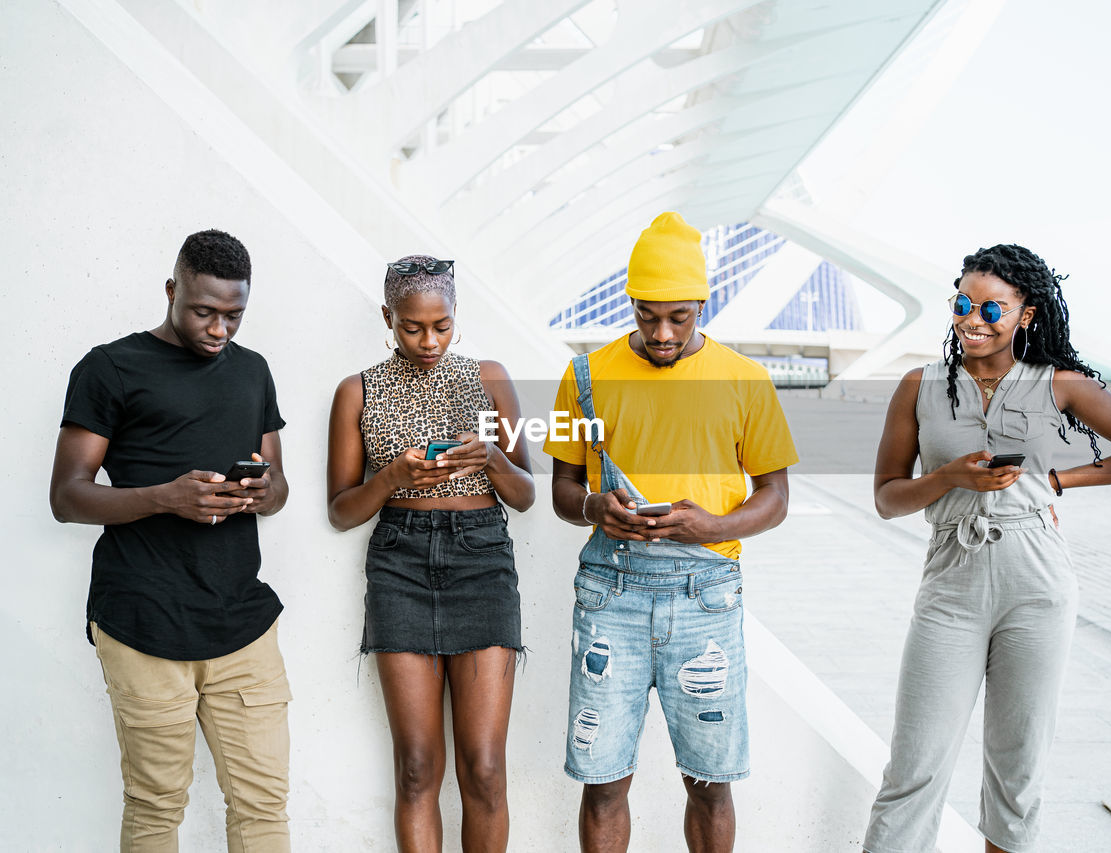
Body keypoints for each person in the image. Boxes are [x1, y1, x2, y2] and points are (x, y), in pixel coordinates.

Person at [862, 244, 1111, 853]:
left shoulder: (1060, 385)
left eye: (991, 308)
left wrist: (1058, 481)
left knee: (1018, 771)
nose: (973, 318)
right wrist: (950, 476)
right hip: (952, 574)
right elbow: (887, 497)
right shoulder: (917, 386)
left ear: (1024, 316)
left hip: (1037, 579)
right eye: (962, 303)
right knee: (915, 766)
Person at [544, 212, 799, 853]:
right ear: (629, 303)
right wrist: (594, 509)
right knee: (602, 783)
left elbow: (775, 498)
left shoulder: (743, 380)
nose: (661, 333)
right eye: (647, 315)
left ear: (702, 305)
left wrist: (709, 526)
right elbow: (562, 493)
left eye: (678, 317)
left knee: (710, 783)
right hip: (610, 593)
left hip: (705, 597)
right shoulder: (585, 378)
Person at [49, 229, 293, 852]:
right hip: (143, 619)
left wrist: (264, 494)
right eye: (203, 312)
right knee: (157, 805)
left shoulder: (254, 371)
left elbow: (279, 482)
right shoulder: (110, 367)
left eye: (234, 316)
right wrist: (165, 496)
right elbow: (67, 496)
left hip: (241, 618)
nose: (219, 330)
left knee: (263, 804)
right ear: (171, 291)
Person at [326, 256, 535, 852]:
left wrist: (492, 460)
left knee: (486, 767)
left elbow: (525, 495)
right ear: (388, 317)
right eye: (412, 327)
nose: (428, 341)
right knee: (417, 766)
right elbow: (342, 510)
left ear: (455, 318)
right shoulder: (357, 390)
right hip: (400, 562)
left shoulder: (490, 376)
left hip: (483, 562)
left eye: (441, 325)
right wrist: (391, 478)